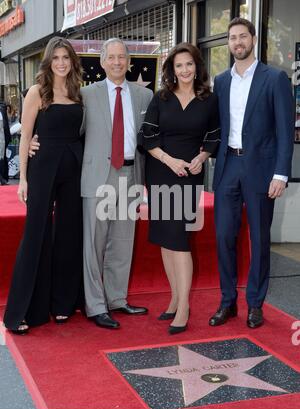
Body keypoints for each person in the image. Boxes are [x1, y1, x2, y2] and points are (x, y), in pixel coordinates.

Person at [209, 18, 294, 329]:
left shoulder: (274, 78)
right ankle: (227, 301)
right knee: (222, 236)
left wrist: (281, 174)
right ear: (228, 43)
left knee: (258, 239)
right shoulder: (221, 81)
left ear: (253, 39)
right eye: (232, 38)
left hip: (260, 169)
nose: (237, 42)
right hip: (228, 165)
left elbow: (285, 130)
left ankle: (255, 304)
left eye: (242, 36)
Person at [4, 37, 84, 335]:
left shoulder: (78, 92)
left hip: (73, 168)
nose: (61, 62)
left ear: (72, 61)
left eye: (66, 57)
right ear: (48, 61)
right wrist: (23, 178)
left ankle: (62, 304)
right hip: (43, 168)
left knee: (68, 234)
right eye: (56, 58)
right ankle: (24, 310)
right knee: (36, 233)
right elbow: (25, 137)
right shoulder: (37, 92)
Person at [141, 43, 220, 335]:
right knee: (165, 237)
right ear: (171, 70)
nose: (184, 70)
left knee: (180, 239)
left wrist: (201, 158)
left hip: (189, 175)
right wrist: (169, 159)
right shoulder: (161, 98)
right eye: (179, 66)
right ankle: (175, 298)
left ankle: (184, 306)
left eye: (189, 65)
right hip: (161, 170)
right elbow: (147, 135)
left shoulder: (209, 100)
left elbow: (214, 136)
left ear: (197, 67)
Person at [79, 38, 153, 329]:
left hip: (131, 175)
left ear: (129, 60)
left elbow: (148, 138)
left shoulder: (144, 96)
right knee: (94, 243)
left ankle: (116, 299)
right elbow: (73, 133)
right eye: (111, 57)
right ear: (102, 61)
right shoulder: (86, 95)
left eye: (122, 57)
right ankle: (95, 305)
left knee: (123, 241)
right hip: (99, 176)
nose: (117, 62)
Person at [0, 101, 11, 185]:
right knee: (2, 158)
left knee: (2, 158)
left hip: (2, 138)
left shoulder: (2, 109)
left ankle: (3, 178)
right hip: (3, 138)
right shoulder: (2, 109)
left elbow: (4, 126)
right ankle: (3, 178)